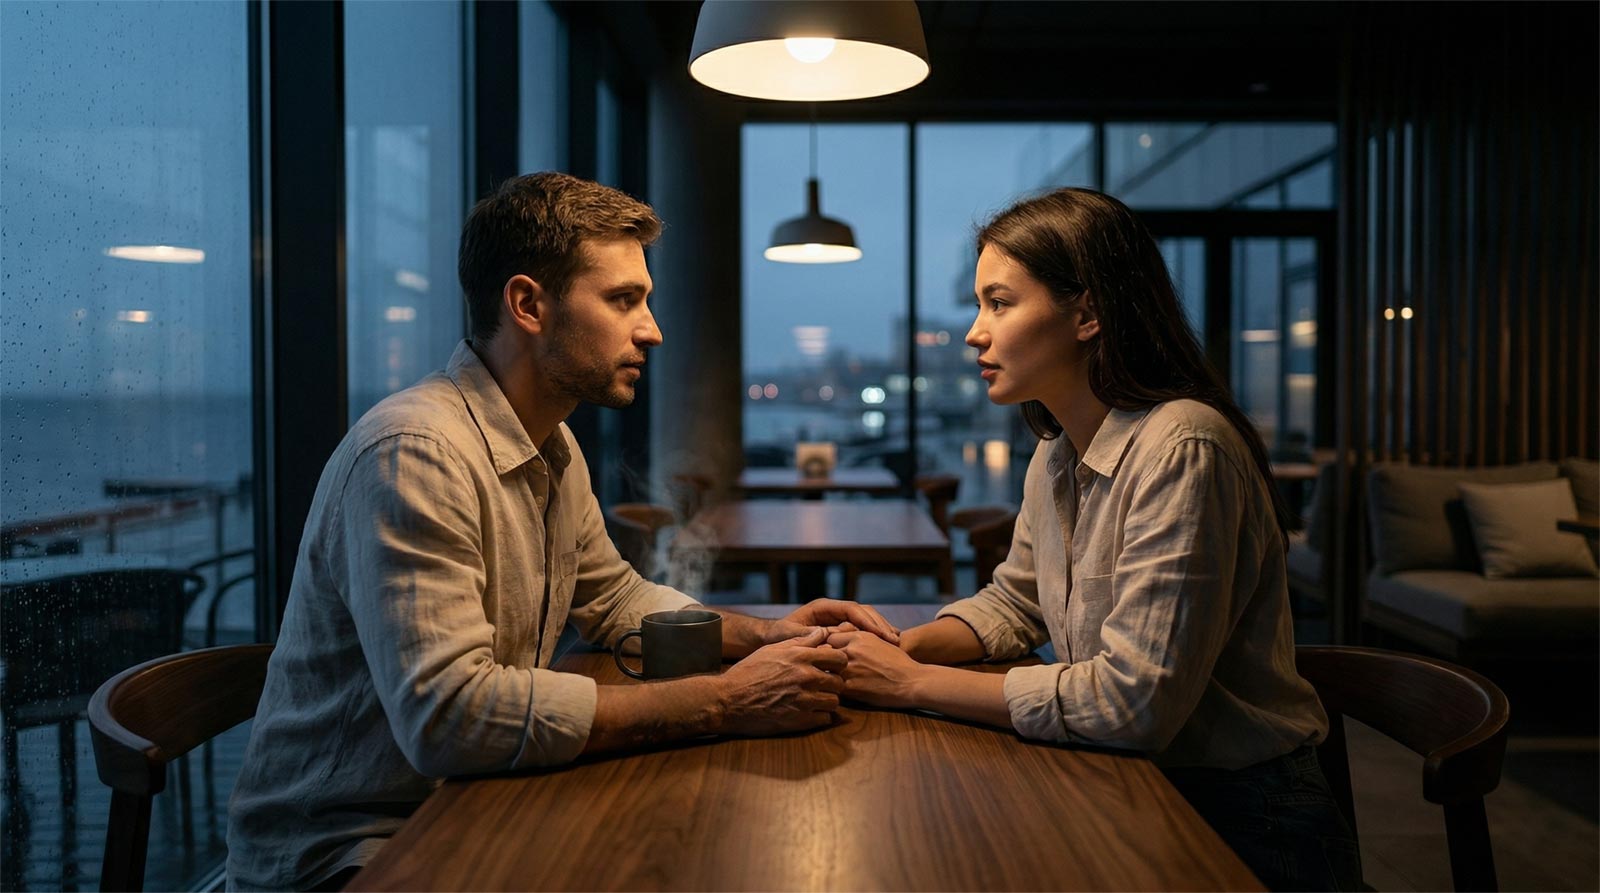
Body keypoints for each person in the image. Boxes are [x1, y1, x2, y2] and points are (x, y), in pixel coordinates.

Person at [227, 172, 899, 891]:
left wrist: (768, 637)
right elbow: (448, 716)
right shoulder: (414, 451)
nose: (652, 328)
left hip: (473, 801)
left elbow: (615, 601)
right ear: (527, 304)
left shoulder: (551, 442)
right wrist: (728, 702)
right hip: (349, 853)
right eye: (623, 300)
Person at [826, 187, 1361, 892]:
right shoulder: (1057, 451)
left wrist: (912, 683)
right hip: (1128, 777)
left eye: (999, 302)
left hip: (1242, 814)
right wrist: (900, 647)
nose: (974, 333)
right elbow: (1017, 603)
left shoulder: (1183, 448)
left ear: (1088, 313)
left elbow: (1133, 704)